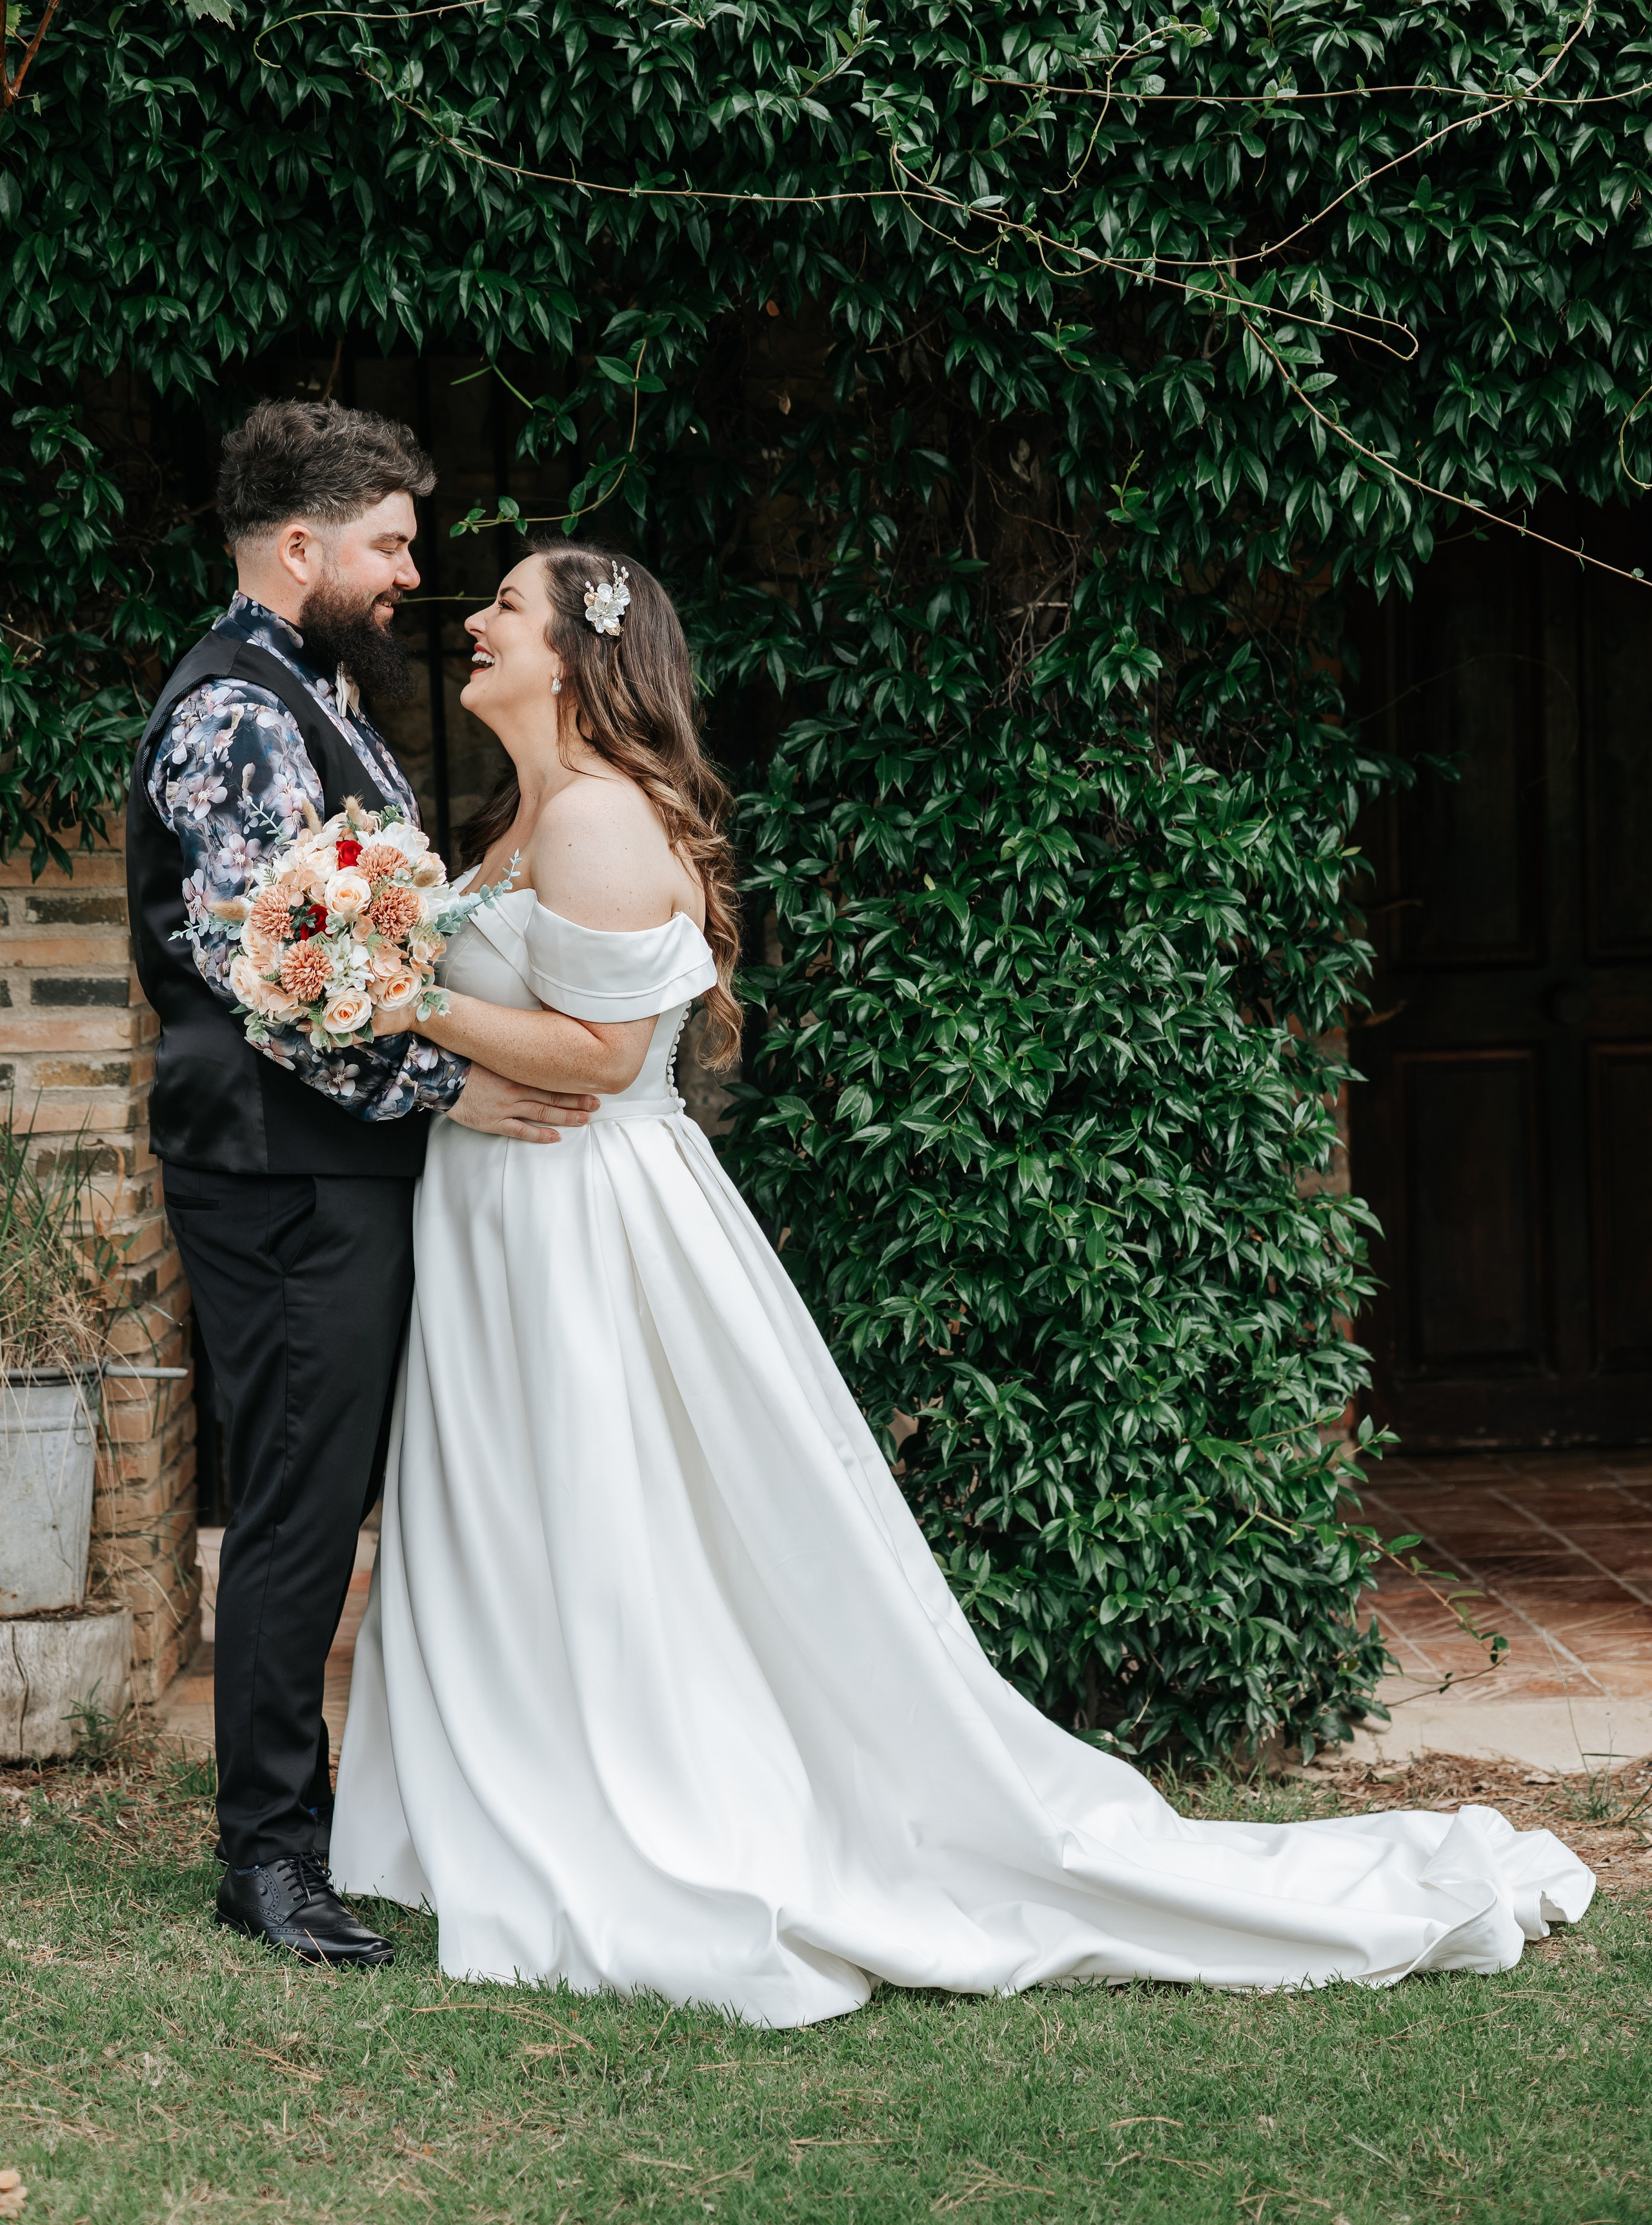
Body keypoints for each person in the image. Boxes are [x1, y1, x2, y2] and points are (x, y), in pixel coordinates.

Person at [330, 539, 1593, 2026]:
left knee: (603, 1515)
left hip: (583, 1225)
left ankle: (635, 1810)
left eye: (506, 607)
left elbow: (607, 1063)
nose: (471, 621)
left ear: (579, 654)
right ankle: (516, 1792)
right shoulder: (520, 813)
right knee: (521, 1508)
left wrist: (392, 1000)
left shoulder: (598, 818)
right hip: (506, 1213)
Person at [129, 400, 596, 1968]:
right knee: (295, 1510)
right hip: (280, 1175)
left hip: (330, 1168)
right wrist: (458, 1083)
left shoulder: (312, 691)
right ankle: (267, 1858)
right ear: (303, 546)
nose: (412, 573)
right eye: (391, 544)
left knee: (322, 1499)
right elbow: (279, 980)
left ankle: (324, 1826)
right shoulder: (237, 716)